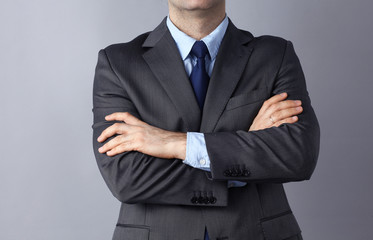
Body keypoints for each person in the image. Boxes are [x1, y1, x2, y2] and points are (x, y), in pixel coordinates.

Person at [92, 1, 320, 239]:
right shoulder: (118, 63)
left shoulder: (275, 55)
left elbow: (297, 154)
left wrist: (174, 143)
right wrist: (244, 152)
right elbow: (127, 178)